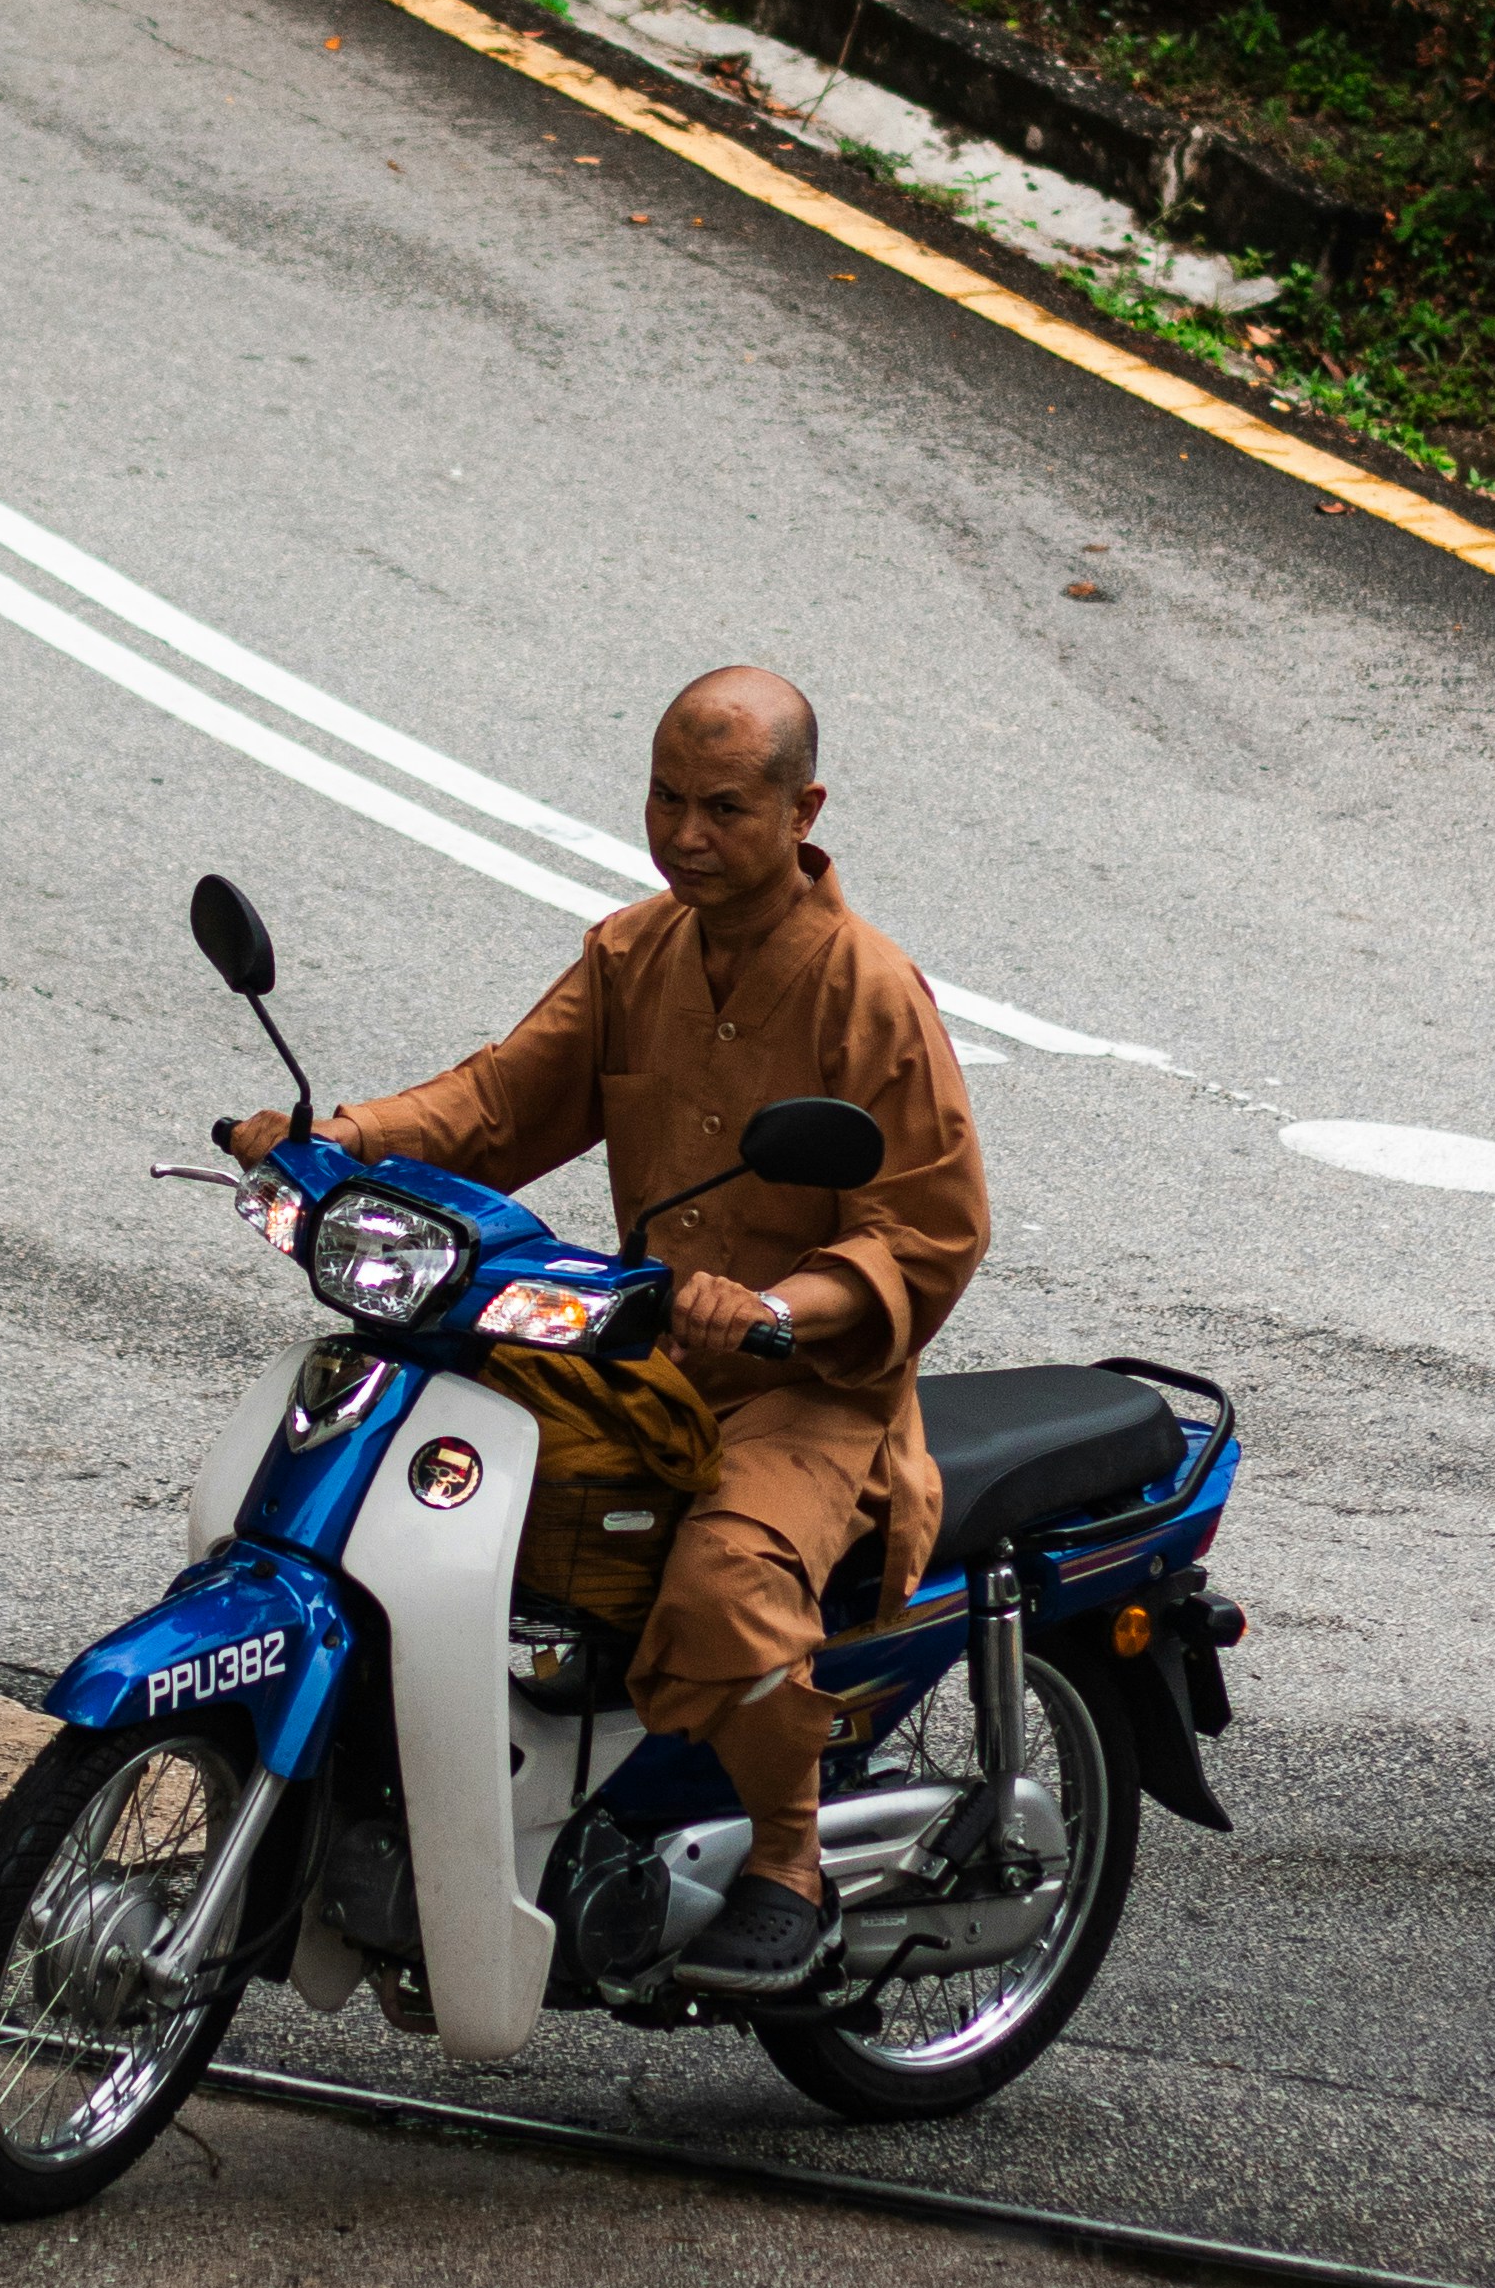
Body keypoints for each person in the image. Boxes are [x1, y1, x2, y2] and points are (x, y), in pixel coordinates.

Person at [229, 665, 989, 1993]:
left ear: (803, 810)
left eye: (724, 808)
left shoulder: (870, 993)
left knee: (722, 1582)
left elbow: (925, 1232)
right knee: (430, 1477)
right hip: (635, 1348)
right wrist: (331, 1143)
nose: (686, 834)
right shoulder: (634, 954)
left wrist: (770, 1308)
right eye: (665, 798)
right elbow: (496, 1105)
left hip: (808, 1383)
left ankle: (788, 1859)